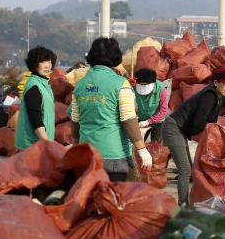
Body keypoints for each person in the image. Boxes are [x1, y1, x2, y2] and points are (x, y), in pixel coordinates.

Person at [71, 37, 152, 182]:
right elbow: (128, 120)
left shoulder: (80, 85)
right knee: (111, 201)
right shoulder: (120, 84)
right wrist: (142, 149)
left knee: (90, 201)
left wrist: (76, 148)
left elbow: (75, 120)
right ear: (116, 57)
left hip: (87, 156)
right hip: (113, 157)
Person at [162, 65, 225, 205]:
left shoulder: (219, 98)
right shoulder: (209, 95)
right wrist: (205, 138)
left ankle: (189, 202)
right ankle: (183, 205)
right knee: (185, 169)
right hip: (174, 128)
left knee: (189, 169)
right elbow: (199, 122)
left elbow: (211, 124)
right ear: (216, 83)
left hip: (181, 130)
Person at [15, 46, 58, 150]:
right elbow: (36, 120)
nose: (47, 65)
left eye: (50, 62)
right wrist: (48, 145)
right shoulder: (34, 87)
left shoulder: (43, 84)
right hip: (33, 146)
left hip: (40, 144)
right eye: (43, 62)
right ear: (34, 64)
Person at [133, 68, 169, 142]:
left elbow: (163, 111)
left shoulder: (162, 90)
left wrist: (148, 122)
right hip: (142, 119)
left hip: (158, 121)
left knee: (156, 145)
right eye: (140, 84)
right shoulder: (135, 87)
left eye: (145, 85)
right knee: (138, 142)